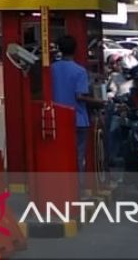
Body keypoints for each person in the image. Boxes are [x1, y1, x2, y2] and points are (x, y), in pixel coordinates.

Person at [51, 34, 98, 174]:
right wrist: (99, 102)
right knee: (78, 157)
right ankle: (79, 189)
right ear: (75, 50)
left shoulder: (51, 68)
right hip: (78, 120)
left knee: (59, 155)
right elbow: (80, 96)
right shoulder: (80, 71)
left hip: (57, 119)